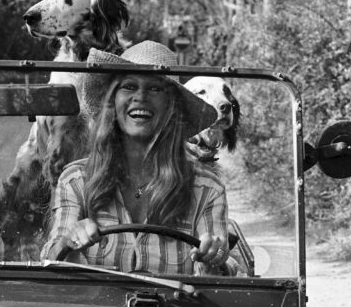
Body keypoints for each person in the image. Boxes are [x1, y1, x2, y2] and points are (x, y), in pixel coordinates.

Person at [40, 40, 233, 276]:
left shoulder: (206, 188)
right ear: (113, 103)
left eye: (155, 89)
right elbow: (52, 261)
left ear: (172, 107)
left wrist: (214, 254)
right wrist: (68, 241)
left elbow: (218, 276)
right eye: (129, 86)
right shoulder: (76, 180)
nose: (140, 97)